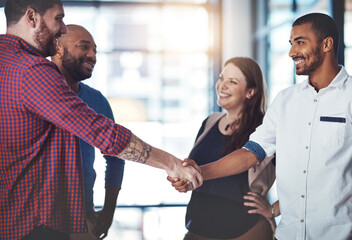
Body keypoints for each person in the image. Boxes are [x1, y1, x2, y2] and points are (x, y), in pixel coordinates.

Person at [0, 1, 202, 240]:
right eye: (58, 19)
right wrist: (172, 164)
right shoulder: (34, 70)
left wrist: (107, 210)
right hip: (34, 224)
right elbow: (103, 134)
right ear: (32, 17)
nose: (62, 28)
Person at [172, 13, 352, 240]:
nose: (292, 53)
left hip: (338, 235)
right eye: (291, 44)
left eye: (300, 42)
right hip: (288, 235)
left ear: (327, 44)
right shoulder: (286, 100)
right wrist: (199, 172)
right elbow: (251, 153)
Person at [169, 57, 275, 240]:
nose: (222, 85)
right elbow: (197, 174)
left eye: (232, 81)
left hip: (244, 231)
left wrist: (274, 209)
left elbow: (301, 179)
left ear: (250, 92)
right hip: (197, 230)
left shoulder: (265, 130)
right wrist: (186, 181)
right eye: (222, 78)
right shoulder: (210, 122)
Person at [50, 24, 123, 240]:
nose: (93, 56)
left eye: (95, 50)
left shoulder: (97, 100)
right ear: (58, 49)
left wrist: (109, 211)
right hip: (32, 218)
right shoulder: (32, 92)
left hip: (82, 218)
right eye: (84, 47)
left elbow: (115, 157)